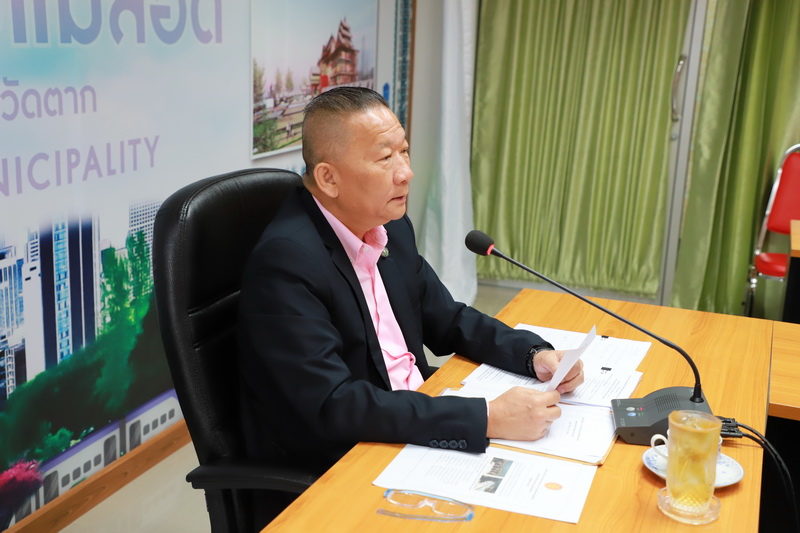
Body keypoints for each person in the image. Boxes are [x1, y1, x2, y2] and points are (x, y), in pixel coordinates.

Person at [238, 87, 583, 475]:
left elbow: (448, 319)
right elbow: (334, 405)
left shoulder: (391, 227)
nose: (406, 172)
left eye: (404, 151)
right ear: (329, 178)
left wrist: (533, 355)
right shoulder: (287, 261)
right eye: (385, 158)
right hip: (351, 456)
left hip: (412, 418)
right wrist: (487, 418)